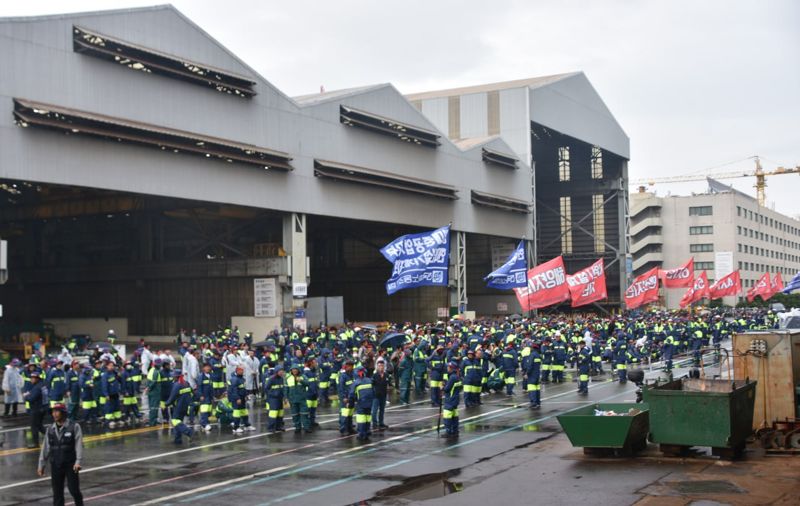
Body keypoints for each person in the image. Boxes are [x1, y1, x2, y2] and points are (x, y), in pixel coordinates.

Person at [37, 403, 84, 506]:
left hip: (71, 465)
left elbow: (79, 445)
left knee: (74, 490)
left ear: (63, 413)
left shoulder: (74, 426)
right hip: (56, 465)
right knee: (57, 494)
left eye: (57, 411)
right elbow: (46, 448)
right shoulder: (50, 429)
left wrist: (78, 462)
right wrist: (41, 465)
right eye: (53, 412)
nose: (54, 414)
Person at [164, 370, 194, 444]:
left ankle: (188, 431)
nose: (172, 377)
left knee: (175, 421)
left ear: (176, 377)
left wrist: (165, 404)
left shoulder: (177, 385)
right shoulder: (186, 383)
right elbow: (192, 393)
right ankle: (178, 439)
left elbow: (172, 397)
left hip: (178, 406)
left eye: (173, 376)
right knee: (179, 422)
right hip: (185, 406)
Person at [349, 366, 374, 441]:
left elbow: (351, 394)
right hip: (369, 403)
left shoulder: (356, 382)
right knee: (367, 418)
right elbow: (373, 391)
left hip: (361, 403)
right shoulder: (369, 380)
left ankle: (361, 434)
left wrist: (351, 403)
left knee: (361, 419)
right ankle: (367, 431)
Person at [24, 370, 46, 448]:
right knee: (39, 425)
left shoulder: (37, 387)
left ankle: (36, 444)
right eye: (31, 378)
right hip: (42, 408)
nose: (31, 379)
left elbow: (31, 399)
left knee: (34, 426)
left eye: (33, 378)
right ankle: (52, 437)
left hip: (36, 409)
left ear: (37, 378)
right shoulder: (42, 385)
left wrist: (26, 396)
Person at [286, 364, 311, 433]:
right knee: (295, 414)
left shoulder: (303, 376)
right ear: (291, 370)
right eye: (293, 369)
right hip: (292, 399)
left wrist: (301, 381)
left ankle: (306, 427)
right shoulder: (288, 378)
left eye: (295, 369)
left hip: (302, 399)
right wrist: (286, 398)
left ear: (298, 370)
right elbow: (286, 389)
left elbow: (308, 383)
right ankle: (297, 427)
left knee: (304, 414)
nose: (294, 370)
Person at [442, 362, 462, 438]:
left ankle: (448, 431)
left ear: (451, 368)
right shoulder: (457, 377)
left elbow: (447, 389)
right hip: (455, 399)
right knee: (454, 416)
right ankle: (455, 430)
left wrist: (443, 388)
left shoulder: (452, 377)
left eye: (448, 367)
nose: (447, 369)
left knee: (447, 416)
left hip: (450, 399)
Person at [264, 366, 286, 432]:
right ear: (276, 372)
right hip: (273, 399)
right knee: (273, 413)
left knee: (280, 413)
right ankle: (271, 427)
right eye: (280, 371)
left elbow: (282, 389)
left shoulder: (281, 379)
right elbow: (266, 389)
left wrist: (284, 397)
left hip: (279, 398)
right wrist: (273, 394)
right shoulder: (271, 379)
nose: (282, 372)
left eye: (282, 371)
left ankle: (278, 426)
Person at [371, 358, 390, 430]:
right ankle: (374, 423)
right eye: (379, 366)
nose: (381, 367)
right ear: (377, 366)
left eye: (382, 365)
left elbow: (387, 384)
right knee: (374, 410)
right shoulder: (374, 375)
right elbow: (371, 385)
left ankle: (381, 422)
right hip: (376, 395)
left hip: (383, 395)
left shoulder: (386, 375)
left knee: (382, 410)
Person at [337, 360, 356, 435]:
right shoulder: (343, 376)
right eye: (349, 366)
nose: (350, 367)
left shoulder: (353, 375)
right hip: (345, 398)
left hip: (351, 397)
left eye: (351, 366)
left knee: (350, 413)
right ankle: (343, 429)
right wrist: (344, 397)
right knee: (344, 414)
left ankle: (349, 428)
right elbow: (341, 388)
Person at [525, 344, 542, 409]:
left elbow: (530, 365)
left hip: (532, 374)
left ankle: (533, 402)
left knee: (532, 389)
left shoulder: (532, 355)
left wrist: (527, 373)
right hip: (537, 374)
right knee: (537, 389)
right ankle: (538, 402)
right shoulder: (538, 355)